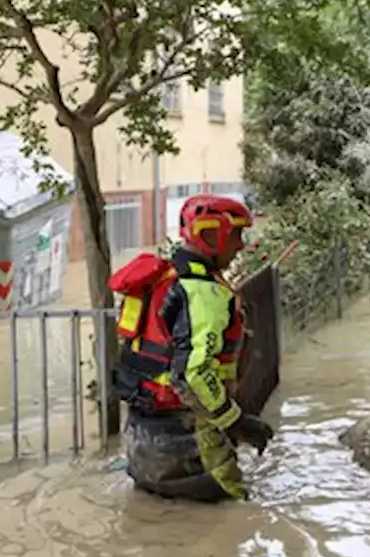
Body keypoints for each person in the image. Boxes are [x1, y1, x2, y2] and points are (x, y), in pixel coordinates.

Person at [108, 193, 276, 503]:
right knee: (237, 517)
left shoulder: (161, 280)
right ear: (212, 234)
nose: (241, 245)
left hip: (139, 443)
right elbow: (191, 374)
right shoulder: (204, 294)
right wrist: (238, 422)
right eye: (236, 234)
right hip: (189, 444)